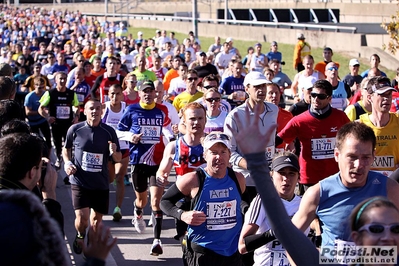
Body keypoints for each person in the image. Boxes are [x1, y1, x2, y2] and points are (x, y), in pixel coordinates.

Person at [290, 121, 399, 250]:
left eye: (366, 157)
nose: (359, 165)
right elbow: (290, 239)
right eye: (352, 157)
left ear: (373, 156)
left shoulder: (390, 188)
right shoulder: (318, 193)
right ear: (337, 155)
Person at [160, 132, 246, 266]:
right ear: (205, 155)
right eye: (213, 152)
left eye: (223, 152)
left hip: (232, 253)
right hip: (203, 253)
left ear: (229, 154)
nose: (219, 157)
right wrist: (183, 215)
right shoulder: (193, 179)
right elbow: (165, 202)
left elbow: (239, 201)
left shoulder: (238, 179)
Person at [117, 80, 171, 256]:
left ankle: (157, 241)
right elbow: (118, 131)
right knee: (143, 200)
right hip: (138, 160)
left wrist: (171, 137)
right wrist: (130, 136)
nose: (148, 94)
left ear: (156, 93)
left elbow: (169, 130)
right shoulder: (131, 110)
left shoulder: (162, 110)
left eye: (151, 91)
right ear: (139, 93)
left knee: (156, 202)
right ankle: (138, 211)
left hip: (158, 162)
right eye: (144, 91)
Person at [62, 99, 121, 255]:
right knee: (82, 220)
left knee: (96, 222)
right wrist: (67, 163)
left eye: (97, 108)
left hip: (100, 183)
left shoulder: (109, 132)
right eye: (91, 109)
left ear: (102, 111)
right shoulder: (75, 129)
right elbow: (66, 149)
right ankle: (80, 234)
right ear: (85, 111)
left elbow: (118, 158)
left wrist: (114, 151)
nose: (94, 111)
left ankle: (90, 247)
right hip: (79, 181)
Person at [277, 80, 350, 191]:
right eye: (313, 95)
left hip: (335, 176)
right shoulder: (299, 120)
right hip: (309, 178)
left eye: (321, 96)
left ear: (329, 99)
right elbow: (278, 139)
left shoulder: (340, 117)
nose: (316, 99)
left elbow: (352, 138)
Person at [238, 152, 308, 266]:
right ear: (272, 175)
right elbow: (242, 246)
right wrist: (274, 232)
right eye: (281, 173)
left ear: (298, 177)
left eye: (291, 173)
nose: (286, 179)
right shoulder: (263, 201)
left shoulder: (305, 204)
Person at [224, 71, 278, 202]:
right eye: (257, 87)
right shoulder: (234, 116)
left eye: (264, 86)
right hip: (246, 181)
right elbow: (229, 152)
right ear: (247, 89)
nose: (261, 90)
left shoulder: (274, 110)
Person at [0, 132, 64, 234]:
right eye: (40, 166)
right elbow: (52, 243)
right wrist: (49, 195)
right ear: (32, 172)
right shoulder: (19, 215)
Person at [38, 71, 80, 171]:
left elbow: (77, 106)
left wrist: (77, 116)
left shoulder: (71, 93)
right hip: (56, 124)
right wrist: (47, 117)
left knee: (68, 143)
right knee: (57, 143)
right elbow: (40, 108)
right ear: (56, 80)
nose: (62, 81)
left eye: (64, 79)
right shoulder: (50, 93)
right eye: (60, 79)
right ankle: (58, 158)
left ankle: (68, 162)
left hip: (68, 123)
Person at [358, 76, 399, 177]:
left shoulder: (398, 121)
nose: (387, 98)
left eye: (389, 94)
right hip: (367, 185)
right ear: (369, 97)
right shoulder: (359, 126)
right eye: (382, 94)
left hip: (395, 185)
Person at [101, 84, 130, 221]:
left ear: (122, 95)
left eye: (118, 94)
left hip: (123, 147)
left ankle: (117, 208)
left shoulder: (126, 108)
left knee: (119, 178)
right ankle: (103, 204)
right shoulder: (104, 107)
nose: (115, 97)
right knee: (109, 179)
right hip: (107, 148)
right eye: (112, 94)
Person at [24, 77, 52, 154]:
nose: (41, 89)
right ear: (35, 86)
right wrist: (39, 111)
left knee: (48, 140)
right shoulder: (29, 97)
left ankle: (48, 158)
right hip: (33, 122)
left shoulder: (45, 94)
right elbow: (27, 112)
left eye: (43, 87)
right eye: (39, 87)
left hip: (42, 120)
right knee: (37, 142)